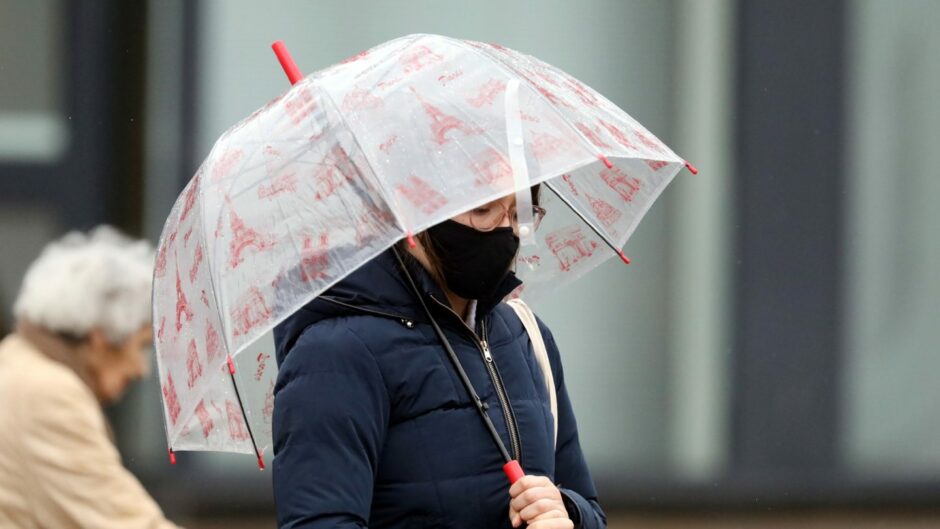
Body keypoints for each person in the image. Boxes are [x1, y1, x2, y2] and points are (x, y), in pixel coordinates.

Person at [272, 189, 607, 528]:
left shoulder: (527, 336)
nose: (507, 230)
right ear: (414, 211)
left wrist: (569, 512)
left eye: (519, 213)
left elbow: (590, 507)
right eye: (484, 208)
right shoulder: (336, 354)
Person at [0, 226, 183, 529]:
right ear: (100, 337)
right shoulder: (48, 395)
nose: (141, 369)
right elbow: (126, 522)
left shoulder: (15, 362)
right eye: (140, 346)